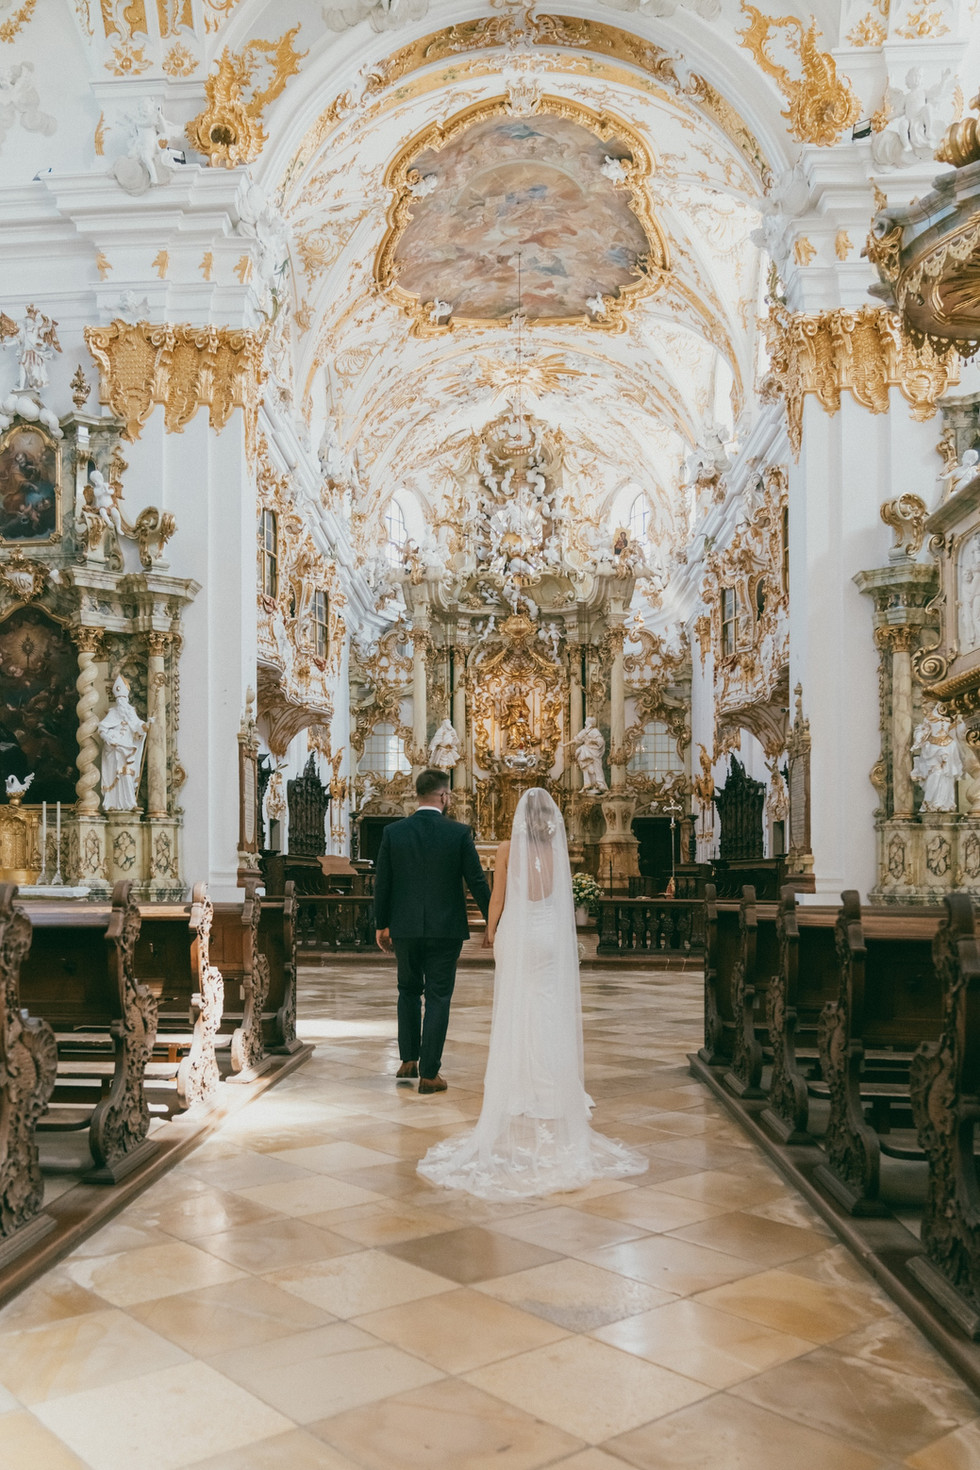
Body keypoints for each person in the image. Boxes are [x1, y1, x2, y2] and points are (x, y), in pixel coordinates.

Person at [417, 788, 648, 1199]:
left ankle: (520, 1086)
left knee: (516, 1005)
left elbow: (500, 897)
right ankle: (552, 1085)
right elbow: (562, 902)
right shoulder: (559, 851)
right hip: (548, 935)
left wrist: (491, 933)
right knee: (548, 1006)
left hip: (519, 935)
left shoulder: (507, 848)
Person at [374, 767, 491, 1093]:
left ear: (418, 795)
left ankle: (408, 1060)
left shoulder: (394, 832)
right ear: (443, 795)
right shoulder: (458, 833)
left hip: (406, 929)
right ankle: (429, 1074)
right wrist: (494, 922)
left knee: (408, 991)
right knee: (438, 997)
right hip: (446, 929)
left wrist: (381, 924)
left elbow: (383, 883)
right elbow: (477, 882)